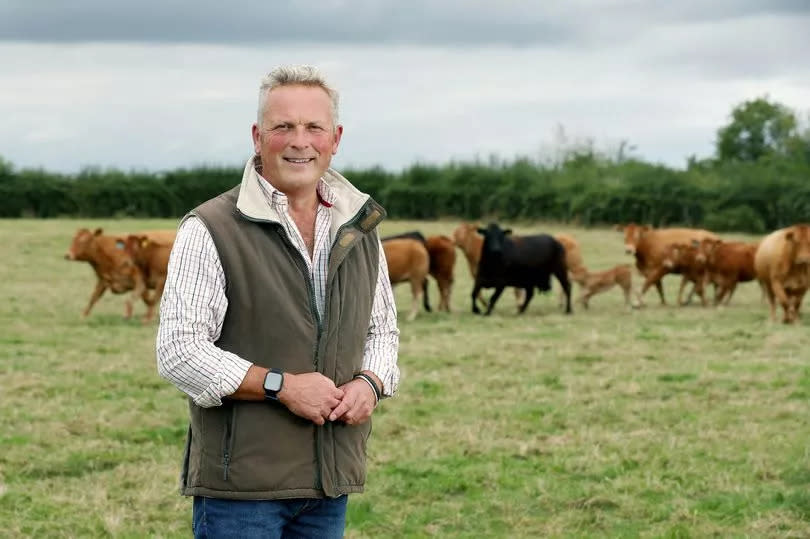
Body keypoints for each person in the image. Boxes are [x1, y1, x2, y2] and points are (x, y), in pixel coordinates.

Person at [156, 64, 400, 539]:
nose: (299, 141)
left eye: (314, 127)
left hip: (329, 482)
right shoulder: (210, 228)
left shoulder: (361, 227)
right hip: (243, 491)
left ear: (336, 137)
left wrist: (371, 383)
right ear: (257, 136)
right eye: (283, 126)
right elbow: (179, 351)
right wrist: (280, 385)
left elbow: (382, 332)